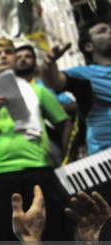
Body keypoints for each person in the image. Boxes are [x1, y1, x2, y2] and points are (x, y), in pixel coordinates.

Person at [0, 37, 72, 241]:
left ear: (14, 59)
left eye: (8, 52)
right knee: (7, 243)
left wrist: (63, 156)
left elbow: (64, 122)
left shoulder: (37, 90)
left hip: (39, 169)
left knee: (53, 238)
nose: (3, 55)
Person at [42, 18, 111, 155]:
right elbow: (54, 81)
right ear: (89, 46)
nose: (110, 32)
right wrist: (49, 65)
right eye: (103, 31)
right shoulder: (84, 75)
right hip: (105, 157)